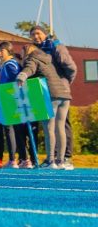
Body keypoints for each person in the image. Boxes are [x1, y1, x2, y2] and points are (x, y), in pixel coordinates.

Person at [17, 43, 72, 169]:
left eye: (22, 52)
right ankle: (61, 161)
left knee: (49, 128)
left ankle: (50, 160)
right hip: (64, 94)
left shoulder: (32, 58)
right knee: (60, 128)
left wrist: (22, 76)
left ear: (27, 51)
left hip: (51, 95)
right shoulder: (47, 60)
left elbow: (29, 68)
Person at [30, 26, 77, 168]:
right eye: (32, 35)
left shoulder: (56, 46)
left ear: (45, 34)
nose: (35, 36)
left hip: (58, 91)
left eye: (38, 33)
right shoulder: (36, 50)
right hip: (45, 91)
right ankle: (54, 158)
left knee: (61, 125)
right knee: (51, 126)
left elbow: (71, 67)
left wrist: (65, 82)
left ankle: (65, 157)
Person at [0, 41, 29, 168]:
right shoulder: (5, 65)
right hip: (10, 100)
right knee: (16, 130)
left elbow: (16, 81)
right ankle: (22, 159)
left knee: (15, 130)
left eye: (1, 50)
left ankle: (19, 159)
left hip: (13, 101)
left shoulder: (10, 64)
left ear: (8, 51)